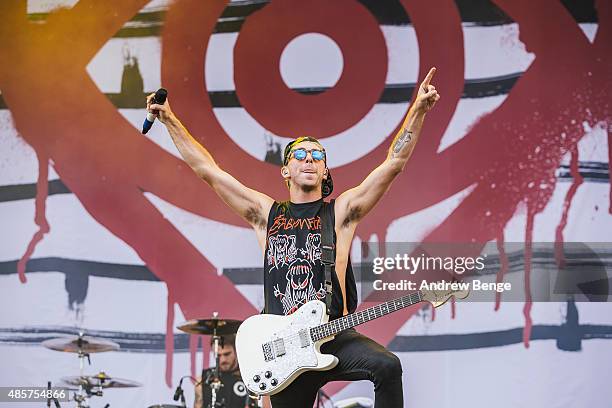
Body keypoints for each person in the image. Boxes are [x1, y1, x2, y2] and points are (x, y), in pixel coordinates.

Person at [150, 67, 440, 408]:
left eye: (318, 156)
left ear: (325, 171)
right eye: (300, 155)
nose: (309, 159)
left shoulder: (341, 212)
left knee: (387, 367)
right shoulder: (266, 213)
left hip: (334, 337)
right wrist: (169, 120)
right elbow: (208, 171)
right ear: (286, 170)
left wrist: (417, 110)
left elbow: (394, 163)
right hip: (284, 352)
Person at [194, 335, 264, 408]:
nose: (223, 360)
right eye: (218, 355)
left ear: (236, 351)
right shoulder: (202, 380)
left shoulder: (252, 377)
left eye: (227, 354)